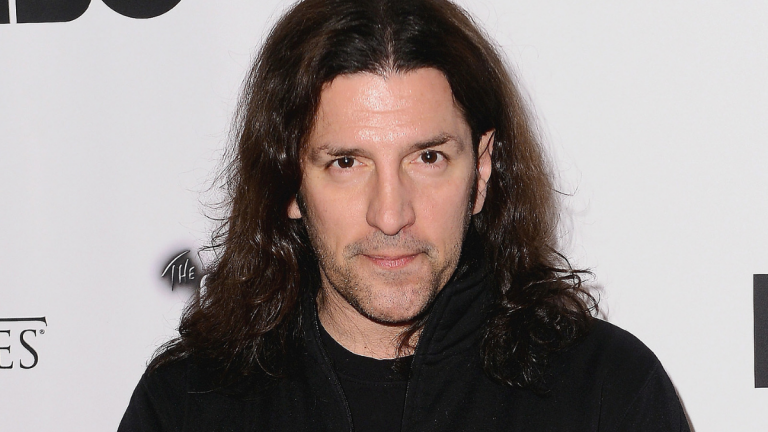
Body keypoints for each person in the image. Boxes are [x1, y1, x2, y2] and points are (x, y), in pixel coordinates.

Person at [119, 0, 691, 430]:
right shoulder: (185, 406)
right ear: (289, 183)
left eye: (428, 158)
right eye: (347, 162)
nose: (391, 215)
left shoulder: (608, 393)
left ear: (482, 170)